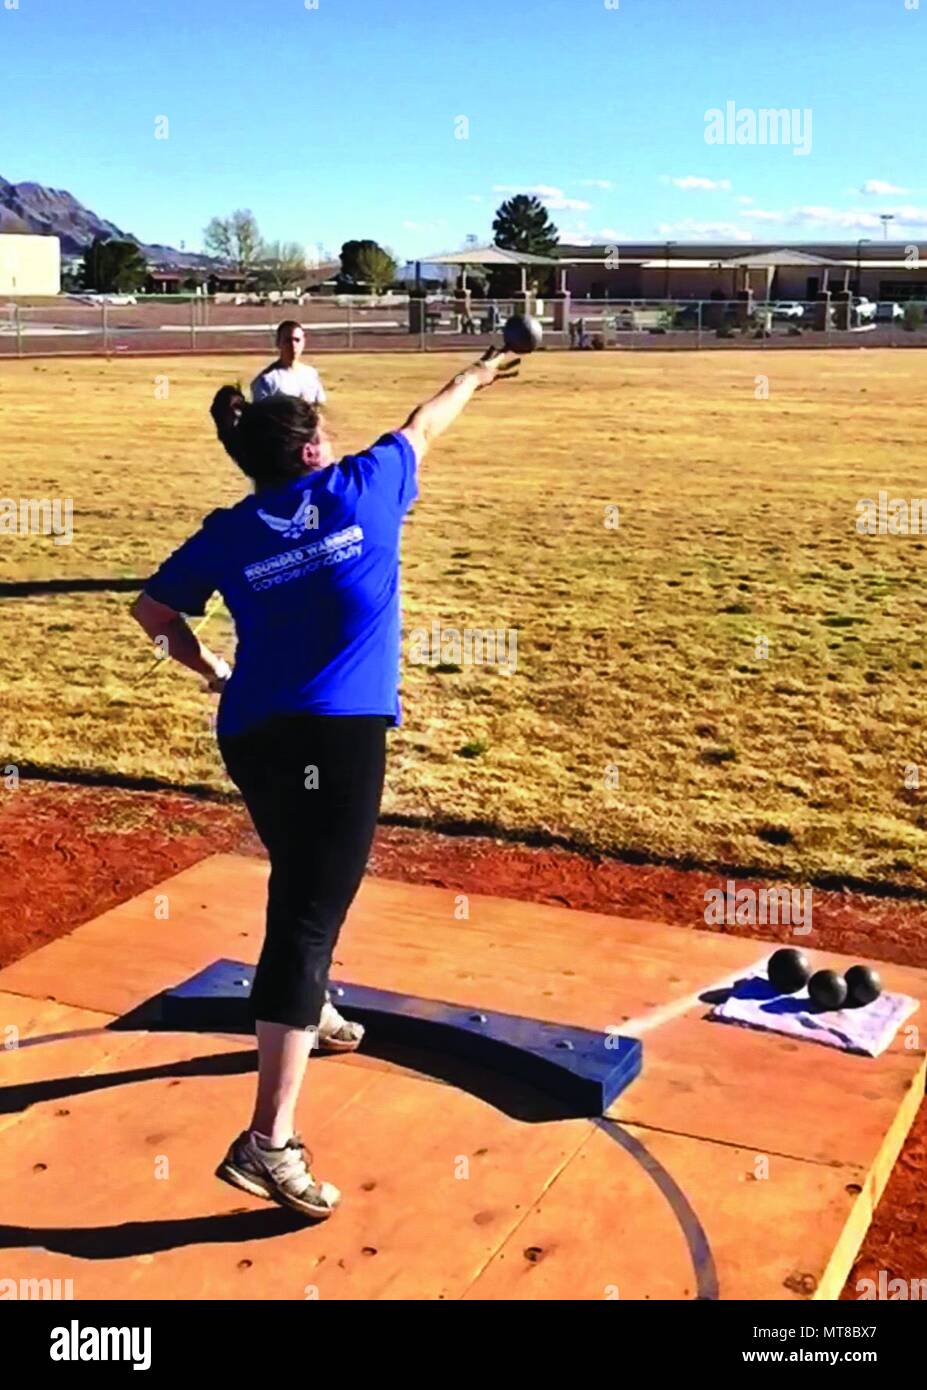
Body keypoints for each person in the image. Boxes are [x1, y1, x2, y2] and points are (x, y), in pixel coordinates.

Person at [130, 347, 520, 1220]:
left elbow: (151, 612)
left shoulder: (231, 528)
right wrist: (475, 376)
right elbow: (428, 422)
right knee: (306, 914)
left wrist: (203, 668)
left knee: (303, 885)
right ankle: (267, 1143)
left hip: (252, 734)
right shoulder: (362, 489)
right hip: (334, 741)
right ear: (311, 451)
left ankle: (316, 1002)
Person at [251, 320, 326, 405]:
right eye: (288, 340)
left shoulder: (311, 374)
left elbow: (319, 409)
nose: (293, 345)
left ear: (304, 342)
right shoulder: (267, 380)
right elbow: (260, 415)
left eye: (297, 340)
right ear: (278, 343)